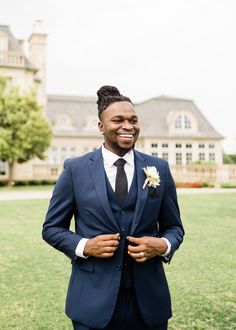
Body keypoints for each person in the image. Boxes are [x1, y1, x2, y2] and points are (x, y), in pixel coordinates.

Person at [42, 85, 184, 330]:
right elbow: (52, 228)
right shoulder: (75, 170)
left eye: (133, 120)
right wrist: (85, 245)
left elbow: (174, 227)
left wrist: (163, 245)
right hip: (92, 301)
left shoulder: (158, 168)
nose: (128, 126)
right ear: (101, 126)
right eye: (118, 120)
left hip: (149, 302)